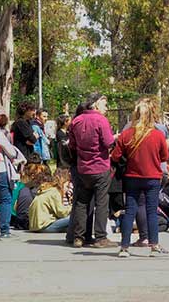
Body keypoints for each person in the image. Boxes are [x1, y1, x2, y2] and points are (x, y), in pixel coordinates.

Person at [115, 96, 169, 258]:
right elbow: (164, 156)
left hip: (132, 176)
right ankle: (154, 245)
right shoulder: (158, 135)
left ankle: (124, 247)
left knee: (130, 210)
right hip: (152, 177)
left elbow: (116, 156)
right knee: (151, 212)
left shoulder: (126, 134)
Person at [66, 93, 117, 249]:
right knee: (102, 202)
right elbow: (109, 142)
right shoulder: (101, 120)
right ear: (95, 104)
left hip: (83, 167)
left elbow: (72, 145)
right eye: (104, 104)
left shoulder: (76, 121)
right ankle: (101, 237)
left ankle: (79, 237)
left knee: (82, 202)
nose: (106, 108)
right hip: (100, 166)